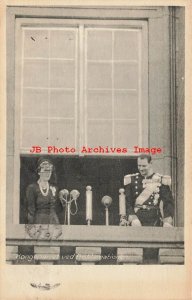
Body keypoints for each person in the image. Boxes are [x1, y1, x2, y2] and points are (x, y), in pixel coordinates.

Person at [120, 154, 174, 227]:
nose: (141, 169)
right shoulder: (131, 180)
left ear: (151, 163)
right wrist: (133, 218)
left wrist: (167, 221)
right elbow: (127, 202)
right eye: (139, 165)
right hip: (136, 220)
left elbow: (168, 203)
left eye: (144, 166)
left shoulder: (161, 180)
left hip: (155, 220)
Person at [25, 157, 62, 224]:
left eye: (49, 171)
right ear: (39, 172)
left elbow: (58, 208)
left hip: (53, 221)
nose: (47, 173)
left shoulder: (54, 188)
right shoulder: (32, 188)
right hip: (39, 221)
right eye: (45, 171)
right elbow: (31, 210)